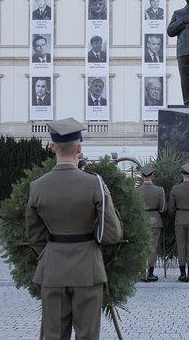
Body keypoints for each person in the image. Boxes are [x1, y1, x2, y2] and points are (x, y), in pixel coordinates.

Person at [26, 117, 123, 339]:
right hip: (88, 269)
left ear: (52, 148)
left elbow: (34, 235)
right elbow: (111, 234)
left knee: (54, 336)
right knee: (87, 335)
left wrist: (53, 253)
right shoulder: (94, 183)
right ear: (79, 147)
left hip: (52, 270)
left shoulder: (37, 187)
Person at [135, 164, 166, 282]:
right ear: (153, 175)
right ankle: (151, 273)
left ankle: (142, 273)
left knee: (142, 247)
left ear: (142, 176)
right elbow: (163, 208)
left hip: (141, 221)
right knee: (152, 247)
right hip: (155, 221)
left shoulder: (136, 191)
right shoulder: (159, 190)